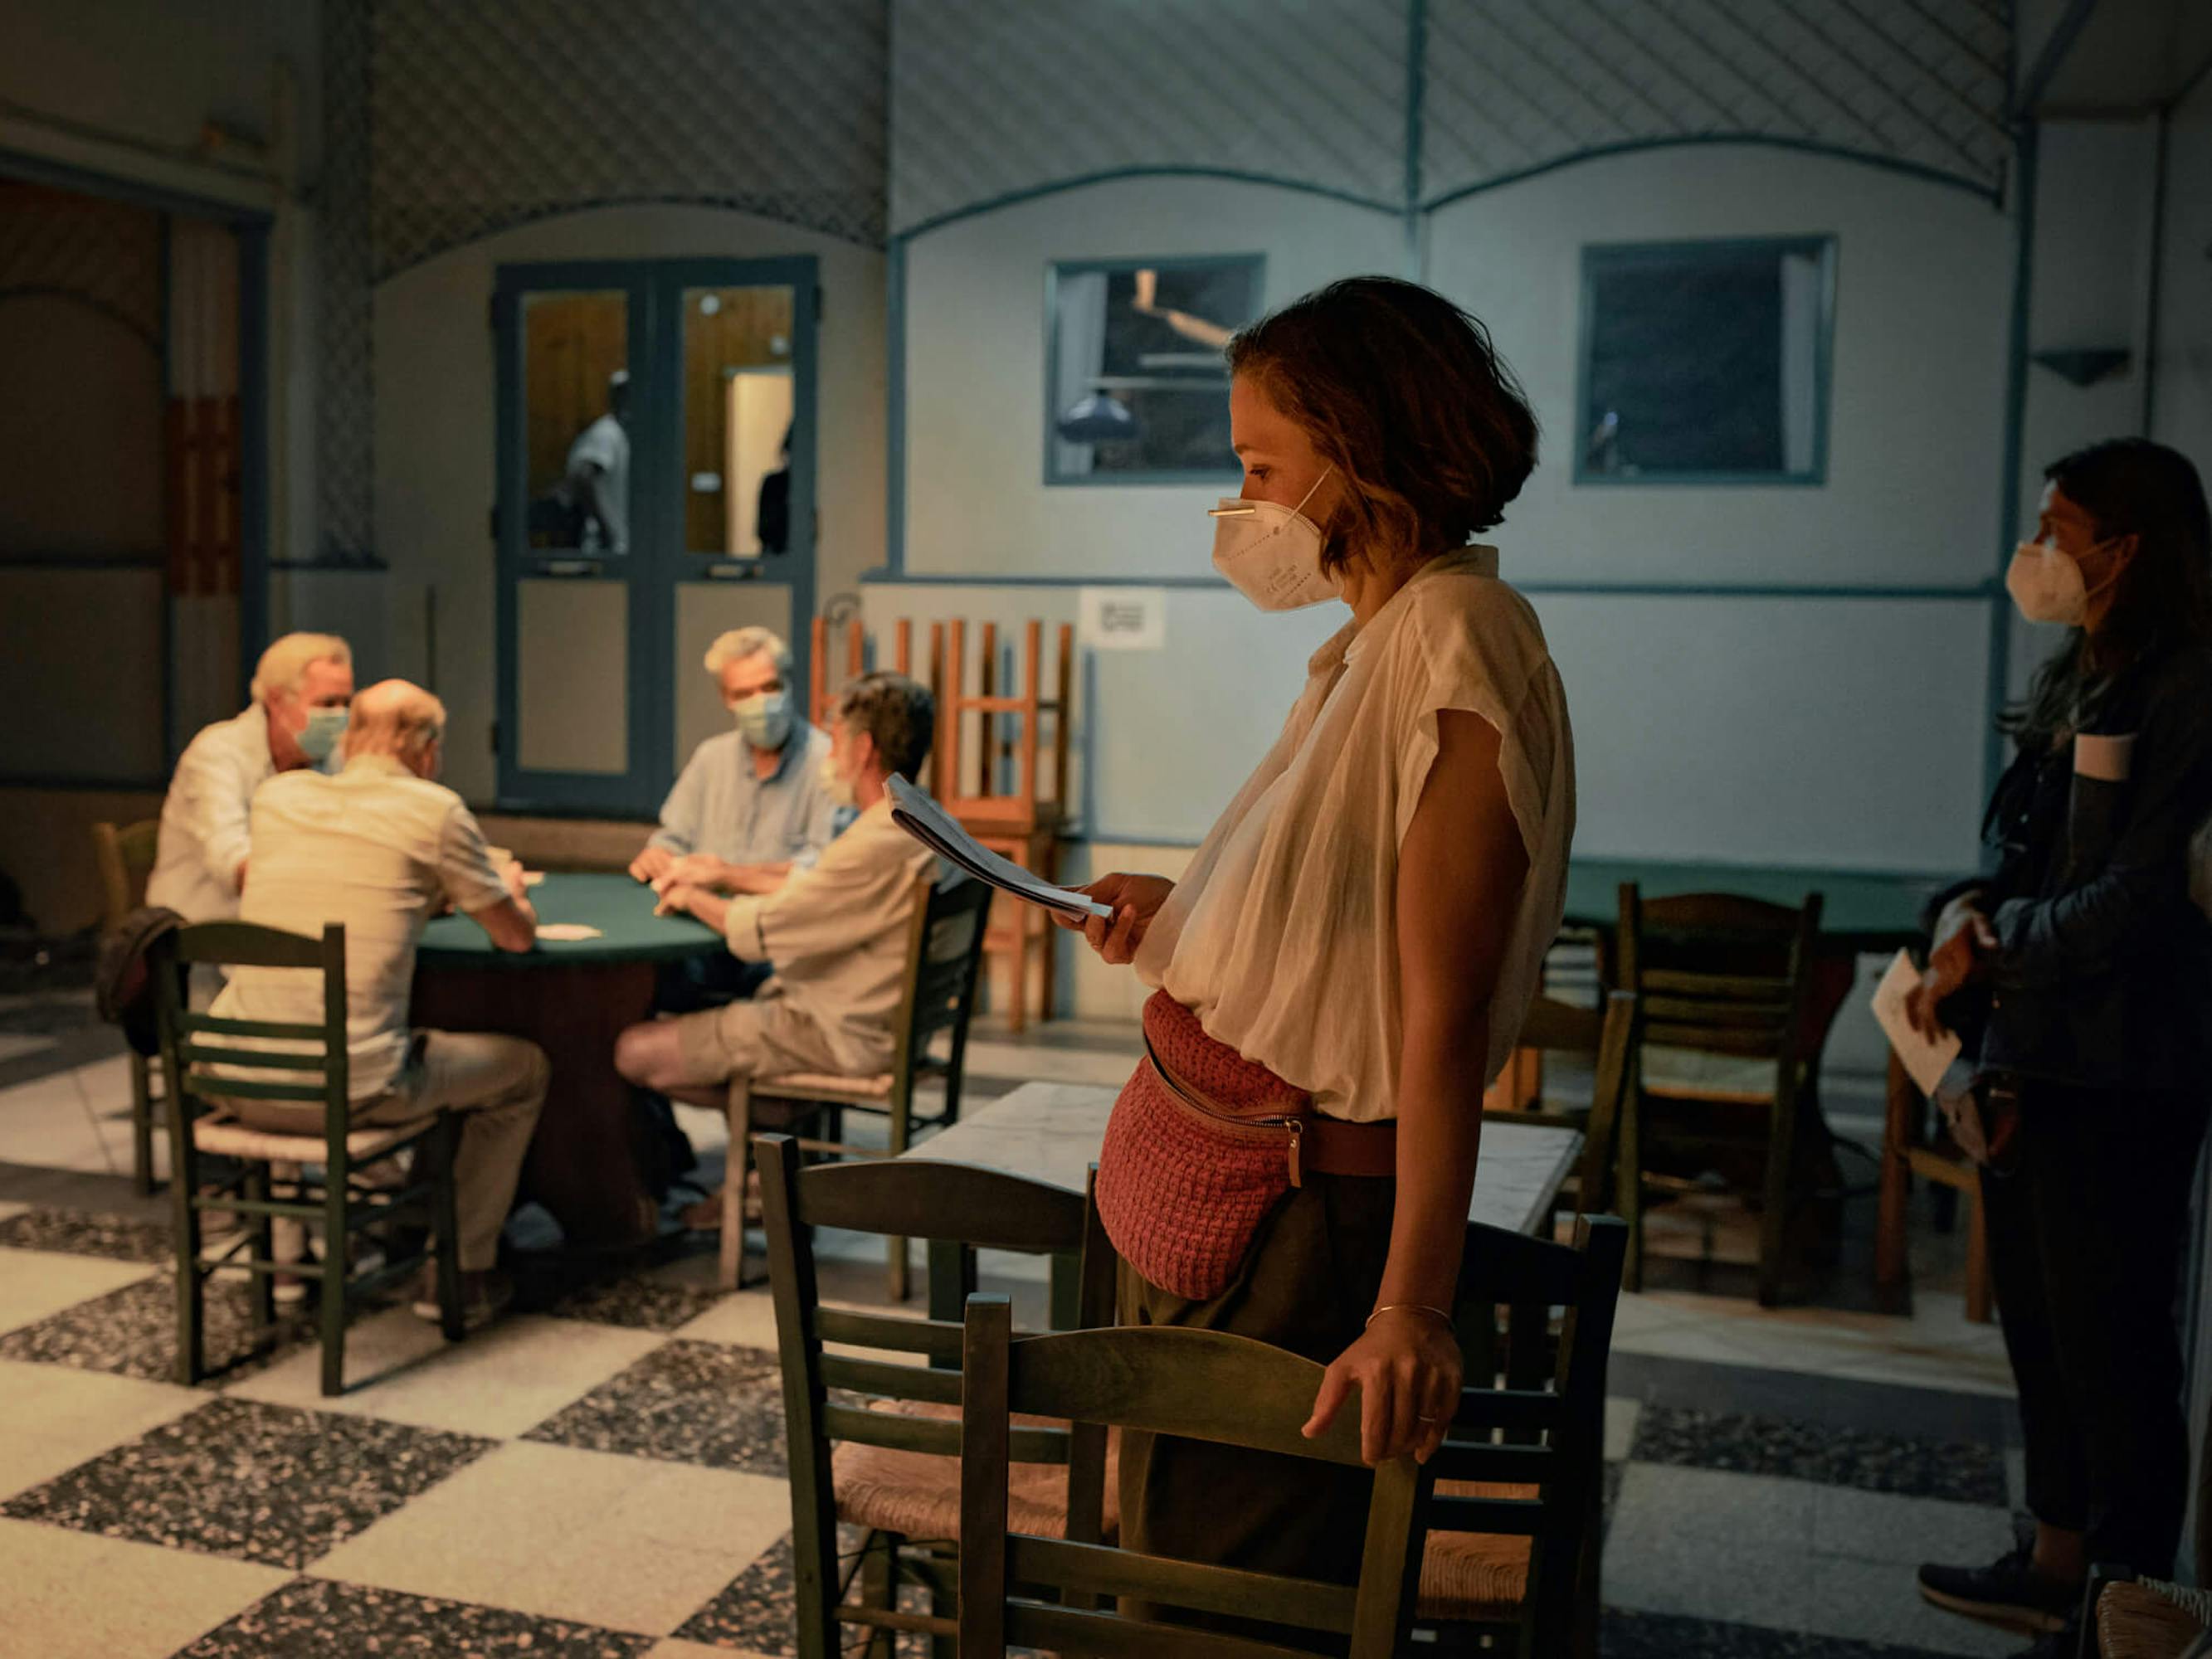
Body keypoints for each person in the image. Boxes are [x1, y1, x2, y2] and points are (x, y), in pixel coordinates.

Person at [1059, 277, 1573, 1598]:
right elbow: (1334, 935)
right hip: (1226, 1199)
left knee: (1234, 1593)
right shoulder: (1380, 639)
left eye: (1259, 465)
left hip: (1303, 1228)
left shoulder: (1458, 636)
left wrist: (1410, 1307)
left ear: (1359, 449)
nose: (1245, 504)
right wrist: (1184, 924)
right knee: (1177, 1564)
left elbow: (1436, 1019)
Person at [1908, 439, 2212, 1658]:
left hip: (2123, 1069)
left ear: (2124, 549)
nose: (2034, 553)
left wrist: (1995, 943)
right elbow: (2037, 851)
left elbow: (2141, 895)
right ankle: (2054, 1562)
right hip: (2036, 1052)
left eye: (2055, 529)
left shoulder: (2184, 686)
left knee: (2117, 1342)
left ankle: (2129, 1602)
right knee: (2038, 1324)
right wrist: (1961, 913)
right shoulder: (2081, 672)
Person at [206, 679, 549, 1328]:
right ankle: (462, 1272)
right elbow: (514, 936)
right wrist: (506, 887)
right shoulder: (435, 809)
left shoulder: (276, 797)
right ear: (426, 749)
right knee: (523, 1070)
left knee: (297, 1023)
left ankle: (286, 1264)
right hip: (348, 1091)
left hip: (235, 1078)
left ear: (352, 735)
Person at [614, 672, 940, 1223]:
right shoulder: (918, 817)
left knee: (632, 1050)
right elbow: (821, 892)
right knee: (710, 1015)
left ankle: (766, 1152)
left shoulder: (874, 838)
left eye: (836, 742)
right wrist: (731, 875)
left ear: (863, 749)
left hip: (835, 1033)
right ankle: (767, 1161)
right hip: (881, 1022)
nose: (828, 756)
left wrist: (693, 894)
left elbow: (763, 929)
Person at [628, 626, 843, 1011]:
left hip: (775, 941)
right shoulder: (711, 758)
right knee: (645, 980)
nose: (760, 703)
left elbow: (822, 875)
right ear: (725, 699)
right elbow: (672, 838)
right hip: (701, 933)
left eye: (769, 687)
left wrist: (725, 874)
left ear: (789, 685)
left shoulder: (827, 764)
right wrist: (658, 856)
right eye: (744, 694)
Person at [147, 632, 354, 922]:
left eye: (347, 703)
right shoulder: (216, 754)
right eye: (327, 703)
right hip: (201, 936)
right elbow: (234, 866)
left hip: (290, 925)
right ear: (276, 699)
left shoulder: (334, 757)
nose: (340, 716)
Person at [563, 370, 631, 553]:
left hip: (621, 544)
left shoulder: (624, 434)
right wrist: (606, 531)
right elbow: (582, 476)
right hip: (607, 545)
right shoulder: (606, 433)